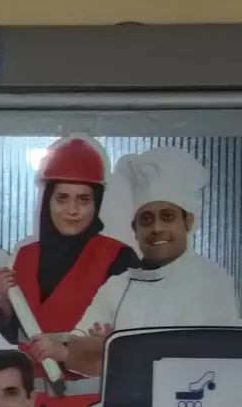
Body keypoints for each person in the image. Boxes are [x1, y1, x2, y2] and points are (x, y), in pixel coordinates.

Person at [0, 136, 140, 407]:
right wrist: (5, 301)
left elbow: (131, 343)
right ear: (48, 201)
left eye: (83, 200)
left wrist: (70, 351)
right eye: (62, 199)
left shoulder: (119, 258)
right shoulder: (26, 256)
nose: (72, 211)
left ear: (97, 203)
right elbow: (17, 334)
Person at [64, 147, 241, 377]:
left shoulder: (212, 281)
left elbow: (220, 359)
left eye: (167, 217)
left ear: (187, 222)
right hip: (126, 398)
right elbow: (74, 354)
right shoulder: (117, 287)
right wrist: (95, 349)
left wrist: (114, 347)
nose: (157, 228)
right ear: (135, 230)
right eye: (146, 220)